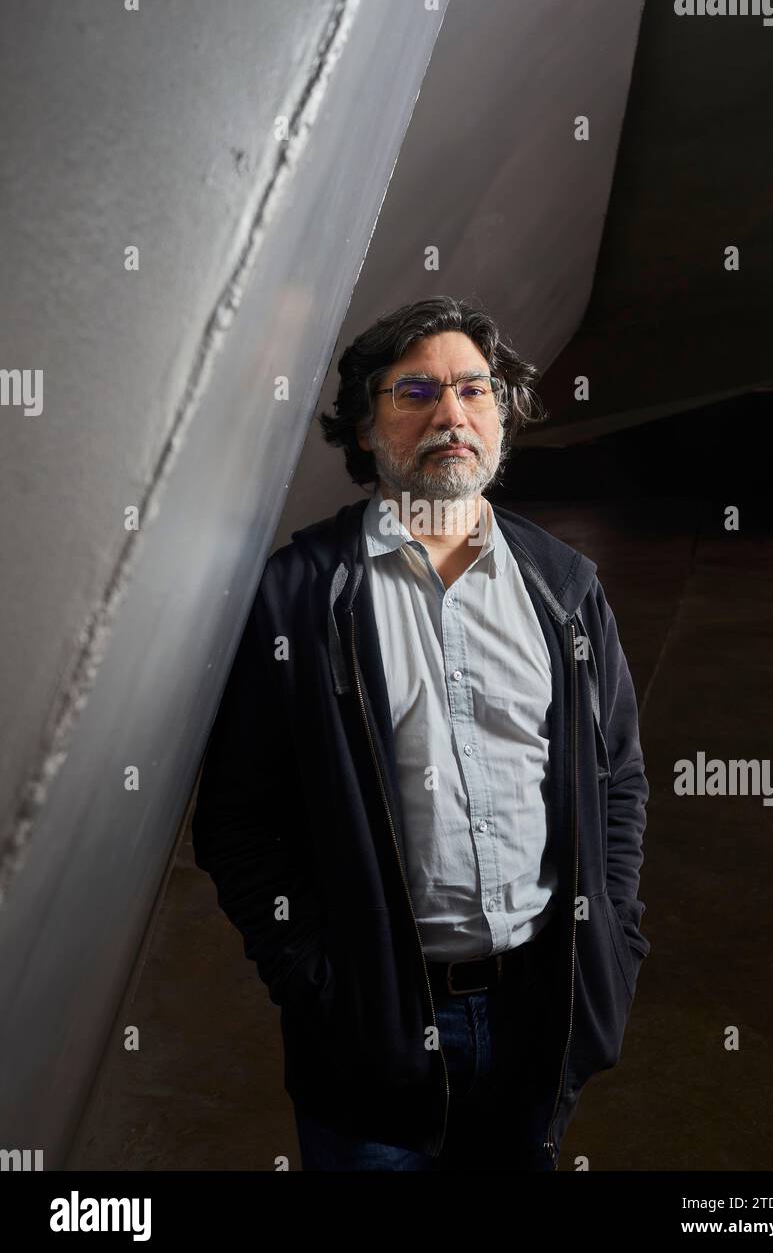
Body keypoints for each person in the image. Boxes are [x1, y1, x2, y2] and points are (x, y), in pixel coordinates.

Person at [191, 295, 650, 1171]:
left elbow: (618, 782)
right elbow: (237, 822)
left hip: (539, 1017)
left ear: (502, 415)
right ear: (364, 429)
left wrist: (613, 947)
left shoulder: (564, 589)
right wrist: (318, 986)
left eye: (475, 391)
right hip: (375, 1030)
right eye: (416, 392)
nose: (452, 414)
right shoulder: (300, 596)